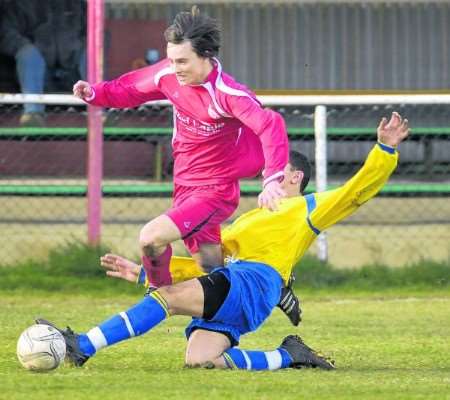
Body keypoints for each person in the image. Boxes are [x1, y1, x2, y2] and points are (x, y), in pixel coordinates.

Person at [36, 112, 409, 372]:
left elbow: (355, 192)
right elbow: (209, 269)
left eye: (273, 169)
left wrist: (385, 152)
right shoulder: (248, 219)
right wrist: (142, 274)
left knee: (167, 300)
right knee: (200, 360)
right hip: (242, 292)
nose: (266, 172)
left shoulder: (307, 208)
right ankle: (288, 356)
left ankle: (82, 345)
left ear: (293, 176)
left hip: (253, 284)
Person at [73, 7, 291, 312]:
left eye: (183, 61)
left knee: (151, 238)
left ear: (206, 56)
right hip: (185, 185)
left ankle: (157, 299)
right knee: (212, 271)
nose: (175, 67)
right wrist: (96, 94)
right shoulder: (169, 74)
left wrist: (272, 178)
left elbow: (270, 125)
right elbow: (132, 89)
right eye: (172, 59)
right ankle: (269, 290)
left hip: (214, 191)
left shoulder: (228, 94)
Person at [0, 0, 87, 126]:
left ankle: (99, 111)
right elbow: (6, 33)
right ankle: (33, 113)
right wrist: (25, 47)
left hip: (74, 73)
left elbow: (96, 32)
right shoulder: (19, 4)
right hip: (36, 75)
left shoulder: (76, 4)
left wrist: (81, 46)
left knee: (92, 51)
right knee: (28, 54)